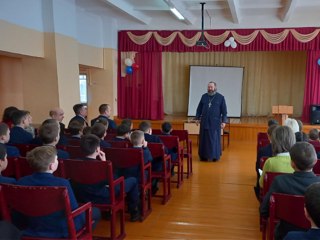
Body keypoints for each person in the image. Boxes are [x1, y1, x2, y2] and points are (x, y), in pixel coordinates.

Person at [16, 146, 101, 238]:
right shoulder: (62, 183)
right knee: (95, 211)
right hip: (60, 229)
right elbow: (73, 209)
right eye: (56, 159)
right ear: (52, 165)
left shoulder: (21, 181)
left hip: (32, 226)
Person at [260, 142, 320, 240]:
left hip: (285, 233)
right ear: (315, 161)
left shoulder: (280, 181)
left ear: (292, 164)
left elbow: (264, 211)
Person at [78, 134, 140, 221]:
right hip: (103, 198)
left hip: (82, 197)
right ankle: (134, 211)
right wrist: (104, 162)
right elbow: (115, 180)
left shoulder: (73, 164)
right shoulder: (103, 166)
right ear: (97, 149)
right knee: (133, 180)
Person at [195, 81, 227, 162]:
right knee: (204, 140)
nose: (209, 89)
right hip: (204, 122)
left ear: (215, 88)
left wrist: (224, 121)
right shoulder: (204, 96)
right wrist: (197, 118)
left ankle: (214, 156)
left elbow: (224, 112)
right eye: (208, 87)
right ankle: (203, 156)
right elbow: (199, 109)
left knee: (214, 140)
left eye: (211, 87)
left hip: (215, 123)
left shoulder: (221, 97)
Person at [254, 124, 277, 199]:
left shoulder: (263, 151)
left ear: (268, 136)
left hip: (265, 188)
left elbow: (257, 169)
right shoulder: (289, 154)